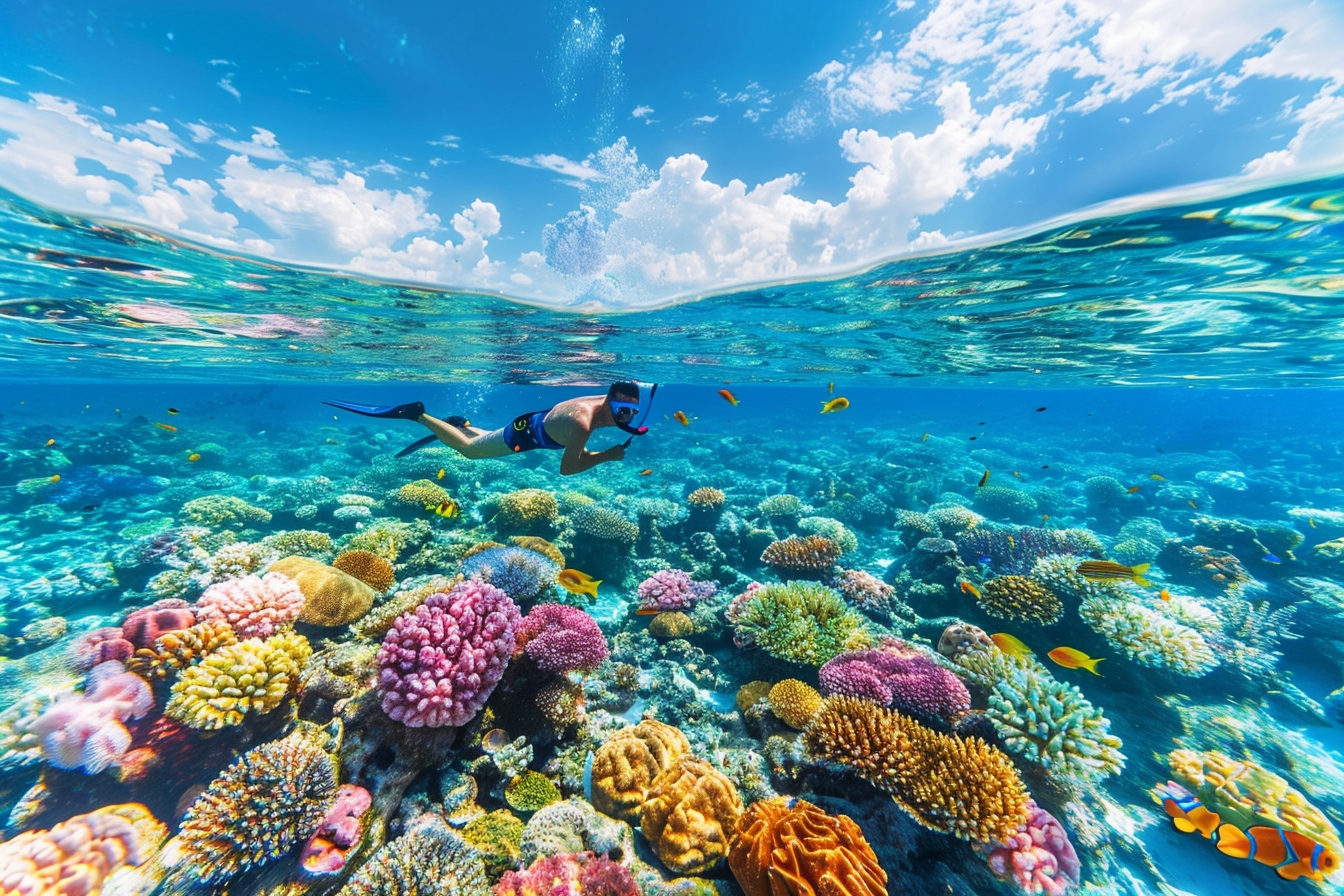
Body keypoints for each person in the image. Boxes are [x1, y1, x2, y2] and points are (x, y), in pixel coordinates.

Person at [324, 382, 649, 476]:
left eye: (631, 412)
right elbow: (568, 468)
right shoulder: (584, 424)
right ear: (607, 402)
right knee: (469, 453)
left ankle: (461, 425)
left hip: (532, 422)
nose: (626, 419)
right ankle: (417, 415)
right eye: (620, 410)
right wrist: (607, 456)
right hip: (528, 435)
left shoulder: (598, 403)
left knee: (482, 438)